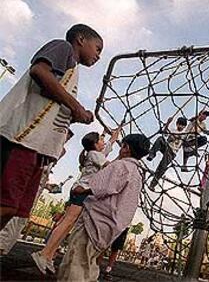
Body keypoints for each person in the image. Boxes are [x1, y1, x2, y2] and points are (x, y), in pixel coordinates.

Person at [0, 24, 102, 230]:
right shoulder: (63, 48)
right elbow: (39, 71)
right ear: (81, 39)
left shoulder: (72, 73)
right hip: (21, 138)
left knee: (15, 208)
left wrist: (75, 115)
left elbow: (50, 106)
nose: (98, 56)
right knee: (5, 203)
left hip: (37, 147)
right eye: (97, 48)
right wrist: (76, 107)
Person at [56, 133, 150, 281]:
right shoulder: (137, 174)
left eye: (123, 146)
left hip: (96, 220)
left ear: (126, 148)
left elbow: (103, 187)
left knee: (77, 259)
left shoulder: (121, 165)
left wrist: (83, 189)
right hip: (111, 225)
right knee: (88, 261)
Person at [32, 129, 120, 274]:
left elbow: (108, 145)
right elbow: (109, 166)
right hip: (81, 191)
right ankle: (43, 253)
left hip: (80, 191)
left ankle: (49, 255)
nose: (103, 142)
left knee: (68, 225)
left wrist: (114, 135)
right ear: (95, 144)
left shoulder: (94, 154)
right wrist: (122, 159)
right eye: (101, 140)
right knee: (67, 222)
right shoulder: (94, 154)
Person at [147, 116, 187, 189]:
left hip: (172, 152)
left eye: (182, 125)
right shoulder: (172, 130)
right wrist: (168, 123)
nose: (181, 126)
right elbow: (165, 133)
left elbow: (182, 138)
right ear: (177, 124)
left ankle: (152, 184)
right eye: (179, 124)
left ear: (184, 126)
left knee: (162, 167)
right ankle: (152, 154)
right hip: (166, 147)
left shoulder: (184, 134)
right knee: (160, 139)